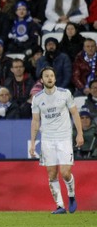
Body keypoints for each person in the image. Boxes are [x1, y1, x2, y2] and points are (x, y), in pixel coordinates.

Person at [29, 66, 83, 214]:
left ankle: (71, 196)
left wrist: (79, 133)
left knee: (65, 173)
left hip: (64, 137)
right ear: (42, 80)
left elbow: (75, 113)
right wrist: (33, 142)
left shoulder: (65, 94)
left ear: (55, 78)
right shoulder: (37, 98)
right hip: (47, 139)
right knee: (52, 174)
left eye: (52, 75)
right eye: (46, 76)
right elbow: (35, 121)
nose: (49, 78)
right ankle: (60, 206)